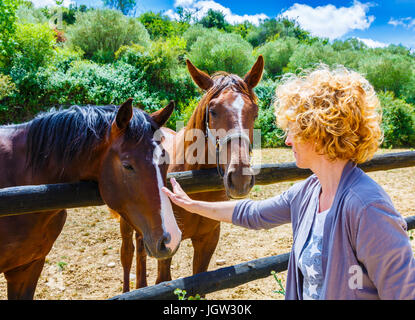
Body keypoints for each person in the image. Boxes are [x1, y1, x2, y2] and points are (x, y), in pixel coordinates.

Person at [162, 65, 415, 300]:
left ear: (319, 131)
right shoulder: (308, 192)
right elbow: (252, 213)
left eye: (293, 129)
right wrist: (191, 204)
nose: (287, 140)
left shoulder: (369, 209)